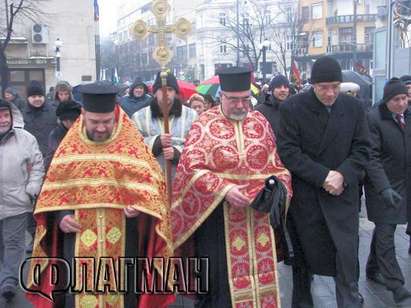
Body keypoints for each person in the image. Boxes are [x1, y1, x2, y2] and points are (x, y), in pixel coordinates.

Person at [26, 82, 174, 308]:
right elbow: (53, 193)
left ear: (115, 115)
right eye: (95, 122)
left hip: (125, 237)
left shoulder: (131, 145)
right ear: (83, 115)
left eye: (107, 121)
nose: (102, 128)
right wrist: (63, 216)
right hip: (77, 238)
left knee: (125, 292)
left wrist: (140, 205)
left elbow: (154, 190)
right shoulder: (69, 148)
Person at [171, 67, 293, 308]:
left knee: (261, 281)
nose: (240, 106)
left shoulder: (260, 122)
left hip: (257, 220)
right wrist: (224, 189)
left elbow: (278, 167)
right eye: (234, 100)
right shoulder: (204, 124)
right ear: (221, 97)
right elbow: (190, 168)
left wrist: (276, 189)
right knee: (220, 289)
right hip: (217, 220)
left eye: (245, 99)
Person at [277, 56, 370, 308]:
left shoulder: (354, 108)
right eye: (323, 87)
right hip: (308, 200)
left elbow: (363, 148)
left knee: (347, 260)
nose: (330, 93)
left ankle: (350, 303)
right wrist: (323, 176)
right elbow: (288, 151)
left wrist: (342, 175)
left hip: (343, 196)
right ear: (312, 85)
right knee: (304, 264)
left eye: (335, 87)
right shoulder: (292, 109)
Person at [364, 78, 411, 304]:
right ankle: (396, 284)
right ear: (387, 100)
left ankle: (373, 268)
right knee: (386, 232)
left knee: (386, 228)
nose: (402, 103)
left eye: (405, 98)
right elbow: (371, 158)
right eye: (397, 99)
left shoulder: (408, 116)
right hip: (381, 186)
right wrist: (383, 188)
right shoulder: (374, 119)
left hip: (404, 182)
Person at [0, 99, 44, 302]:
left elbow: (37, 164)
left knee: (13, 242)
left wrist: (32, 188)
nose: (3, 120)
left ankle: (9, 280)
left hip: (16, 202)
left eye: (6, 115)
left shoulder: (25, 139)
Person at [132, 72, 197, 176]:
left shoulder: (192, 116)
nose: (166, 93)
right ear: (154, 93)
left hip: (181, 178)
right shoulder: (139, 117)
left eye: (170, 90)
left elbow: (197, 147)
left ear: (175, 93)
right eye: (161, 89)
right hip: (151, 179)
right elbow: (133, 146)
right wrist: (156, 142)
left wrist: (177, 153)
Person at [21, 80, 57, 251]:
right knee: (29, 202)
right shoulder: (22, 116)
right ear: (28, 98)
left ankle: (49, 234)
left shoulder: (53, 112)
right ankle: (33, 234)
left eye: (39, 96)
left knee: (49, 199)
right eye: (33, 96)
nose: (37, 99)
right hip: (29, 165)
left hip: (50, 161)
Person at [45, 100, 81, 167]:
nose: (73, 123)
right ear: (63, 120)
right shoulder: (55, 135)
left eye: (75, 120)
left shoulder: (84, 132)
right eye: (69, 120)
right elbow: (51, 157)